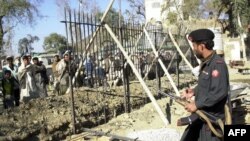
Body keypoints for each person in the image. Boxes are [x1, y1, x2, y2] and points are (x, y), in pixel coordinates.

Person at [180, 29, 229, 141]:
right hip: (201, 117)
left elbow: (219, 92)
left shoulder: (217, 64)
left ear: (202, 46)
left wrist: (197, 104)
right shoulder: (207, 63)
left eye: (194, 46)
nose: (193, 49)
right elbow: (207, 85)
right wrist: (193, 91)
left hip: (211, 122)